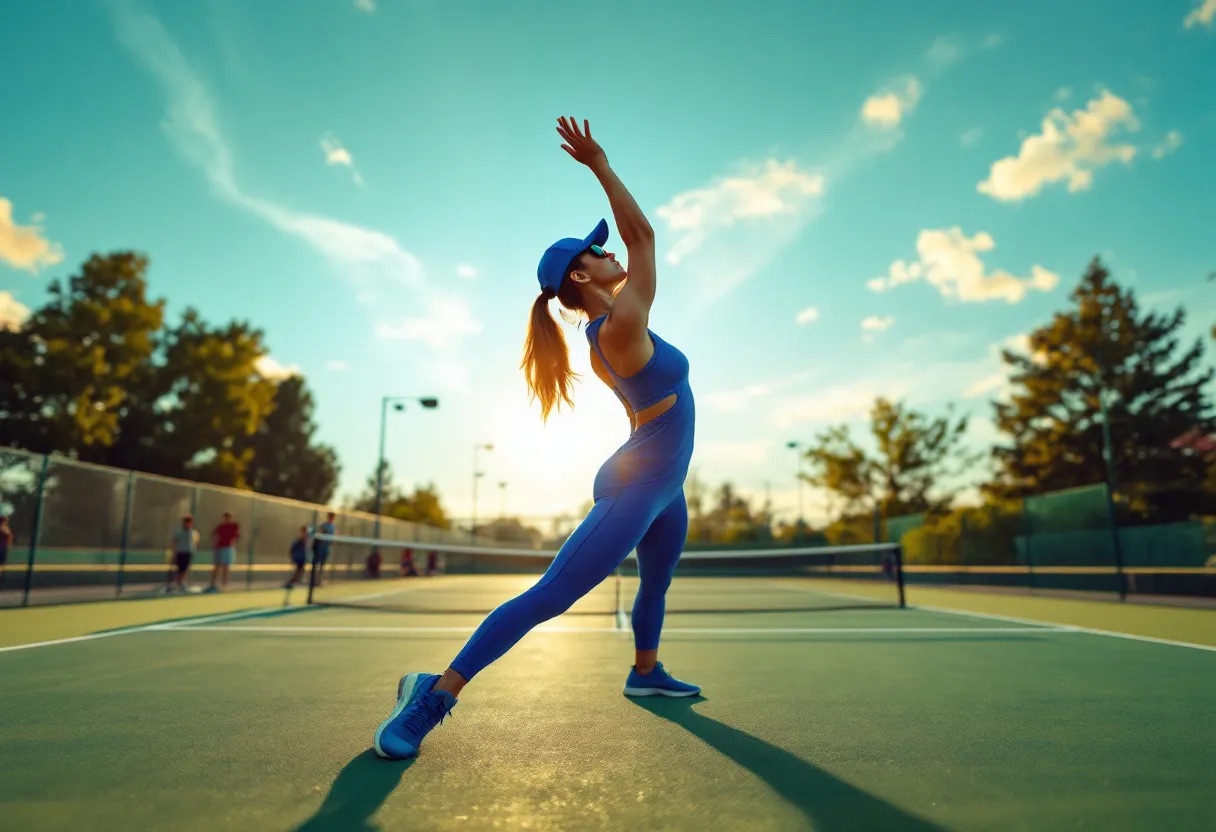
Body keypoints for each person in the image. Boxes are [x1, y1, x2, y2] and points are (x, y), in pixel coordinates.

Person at [373, 117, 699, 761]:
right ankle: (431, 696)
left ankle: (645, 672)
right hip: (642, 479)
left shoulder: (612, 319)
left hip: (662, 479)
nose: (611, 254)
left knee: (656, 581)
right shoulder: (621, 326)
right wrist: (602, 164)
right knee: (550, 596)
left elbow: (632, 247)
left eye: (603, 248)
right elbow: (645, 236)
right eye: (596, 252)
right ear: (580, 277)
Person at [207, 511, 240, 593]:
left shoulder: (234, 526)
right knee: (216, 567)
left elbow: (237, 536)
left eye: (228, 517)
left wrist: (232, 543)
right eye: (225, 518)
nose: (226, 519)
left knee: (226, 567)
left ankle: (224, 585)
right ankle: (212, 585)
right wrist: (214, 545)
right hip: (219, 548)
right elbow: (214, 535)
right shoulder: (220, 526)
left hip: (228, 548)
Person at [167, 515, 199, 593]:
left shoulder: (193, 532)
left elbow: (196, 541)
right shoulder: (179, 531)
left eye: (190, 522)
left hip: (188, 552)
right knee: (179, 569)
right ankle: (177, 583)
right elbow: (174, 541)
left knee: (185, 569)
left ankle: (181, 583)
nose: (188, 524)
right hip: (180, 552)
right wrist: (173, 551)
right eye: (186, 522)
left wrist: (194, 549)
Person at [0, 515, 13, 585]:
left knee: (2, 562)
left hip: (3, 547)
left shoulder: (5, 528)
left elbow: (9, 537)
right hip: (2, 547)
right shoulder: (3, 528)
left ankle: (2, 575)